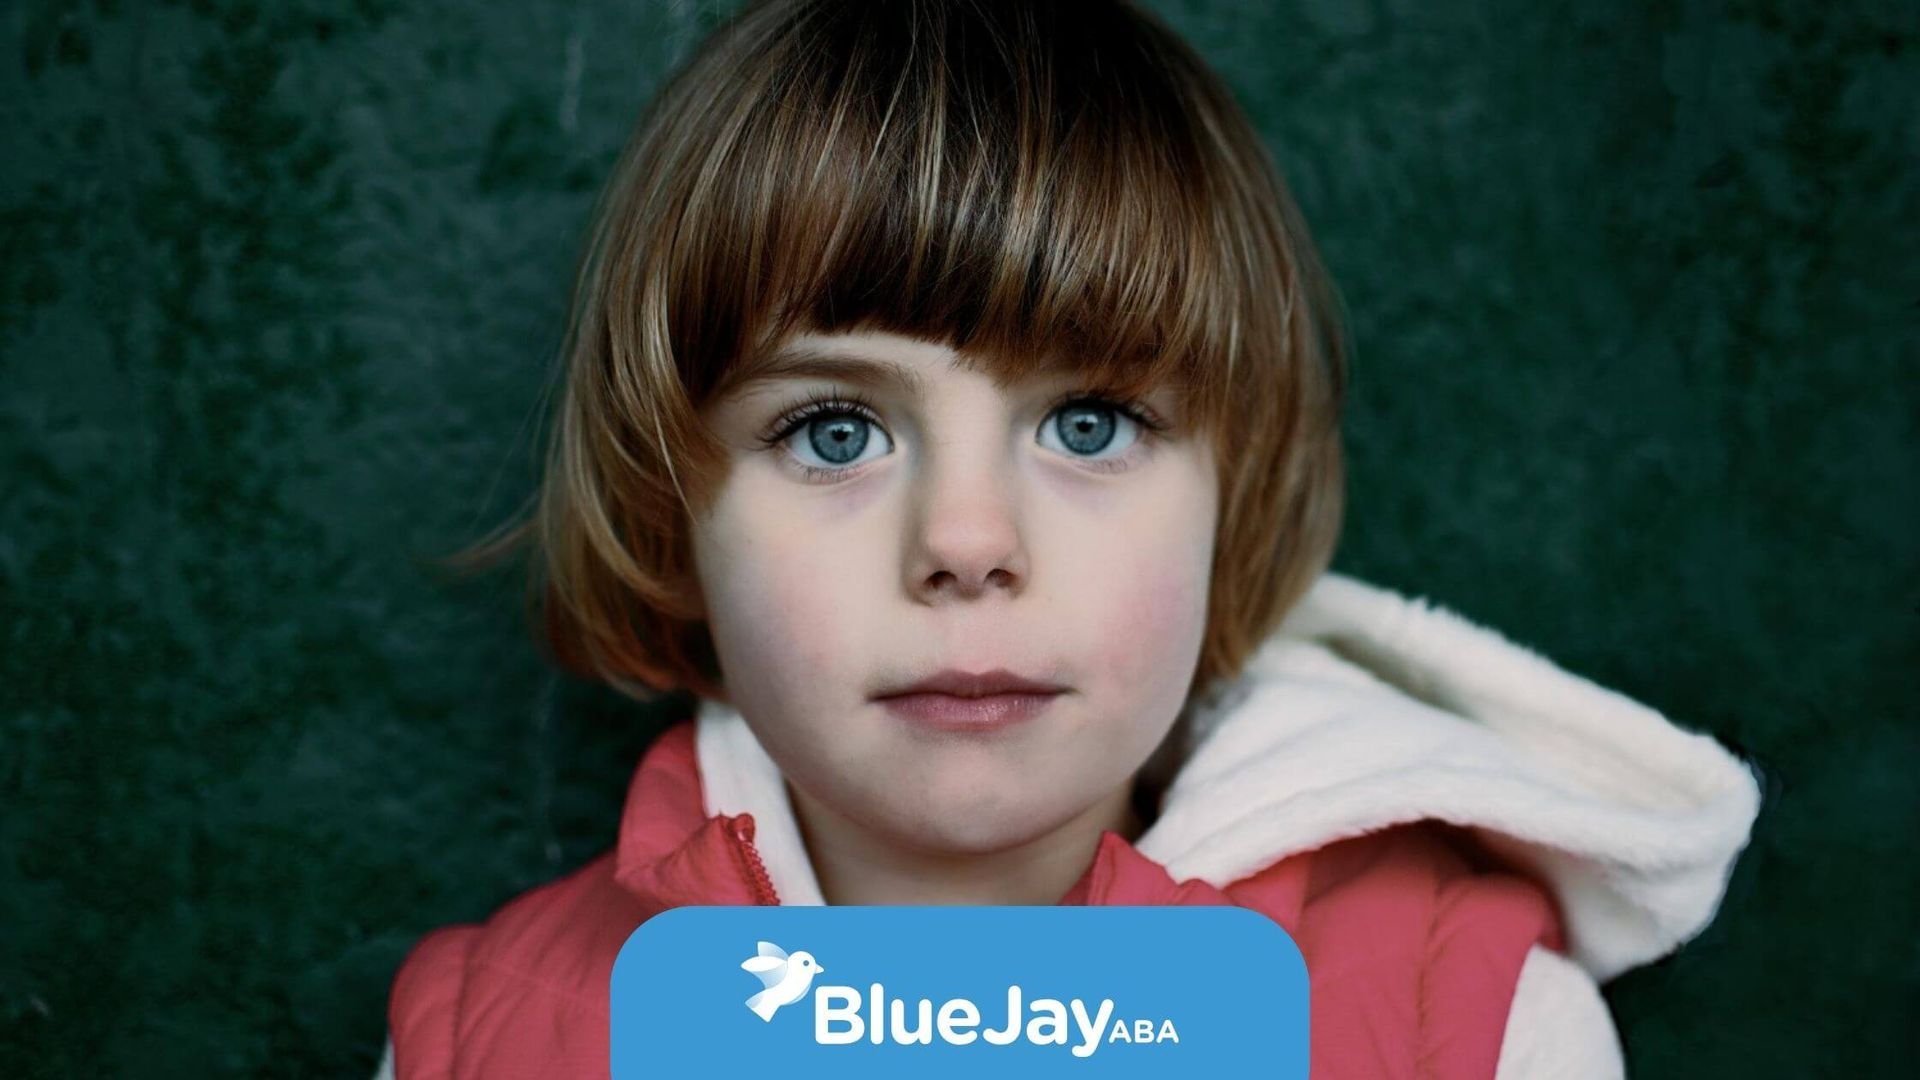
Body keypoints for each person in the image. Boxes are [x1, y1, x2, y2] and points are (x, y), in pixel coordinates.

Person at [373, 2, 1762, 1076]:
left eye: (1090, 425)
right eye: (837, 433)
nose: (968, 542)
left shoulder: (1476, 1028)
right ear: (673, 513)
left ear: (1238, 493)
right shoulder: (481, 1040)